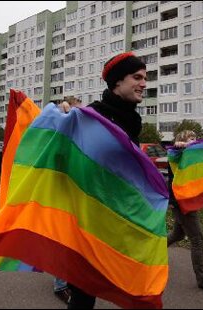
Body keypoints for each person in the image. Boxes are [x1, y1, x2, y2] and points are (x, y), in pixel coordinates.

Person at [65, 51, 147, 309]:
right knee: (83, 294)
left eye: (145, 78)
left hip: (119, 216)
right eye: (137, 77)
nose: (144, 83)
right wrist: (60, 116)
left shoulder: (133, 121)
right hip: (87, 219)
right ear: (116, 82)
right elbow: (61, 153)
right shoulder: (90, 117)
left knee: (128, 284)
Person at [166, 130, 203, 296]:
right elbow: (173, 151)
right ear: (183, 140)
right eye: (191, 138)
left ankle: (154, 250)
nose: (194, 141)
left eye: (195, 138)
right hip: (182, 204)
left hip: (187, 202)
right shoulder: (177, 155)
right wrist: (179, 146)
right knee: (197, 239)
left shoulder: (194, 156)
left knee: (177, 235)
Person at [51, 96, 83, 305]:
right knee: (65, 241)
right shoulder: (60, 137)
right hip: (61, 196)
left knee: (74, 241)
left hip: (75, 196)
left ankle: (69, 278)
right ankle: (60, 285)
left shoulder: (77, 136)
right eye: (77, 112)